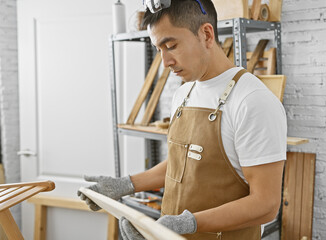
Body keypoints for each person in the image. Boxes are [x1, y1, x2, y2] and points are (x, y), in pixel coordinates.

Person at [78, 0, 287, 239]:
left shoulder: (252, 101)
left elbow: (266, 204)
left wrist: (186, 224)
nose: (165, 62)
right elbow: (183, 164)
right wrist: (125, 184)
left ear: (206, 34)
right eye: (159, 50)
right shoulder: (184, 93)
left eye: (171, 45)